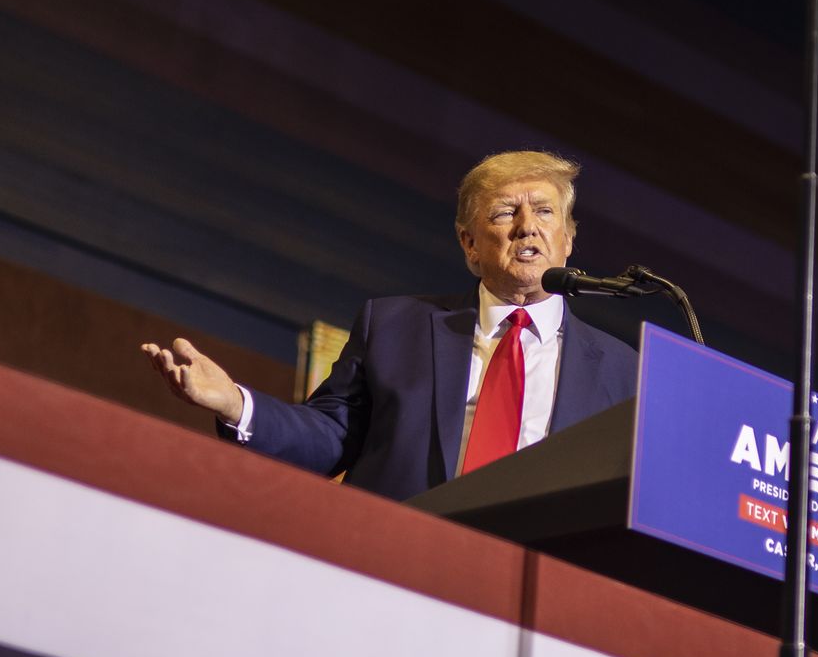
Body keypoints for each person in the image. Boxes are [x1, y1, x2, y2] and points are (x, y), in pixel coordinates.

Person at [143, 150, 639, 501]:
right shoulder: (395, 326)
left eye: (546, 212)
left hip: (548, 598)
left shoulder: (625, 372)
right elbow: (329, 435)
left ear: (568, 238)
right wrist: (236, 403)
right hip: (397, 567)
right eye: (506, 211)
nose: (527, 225)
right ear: (469, 244)